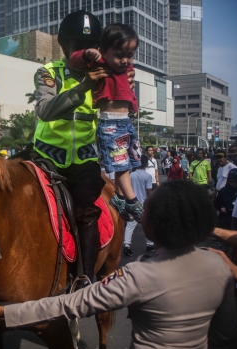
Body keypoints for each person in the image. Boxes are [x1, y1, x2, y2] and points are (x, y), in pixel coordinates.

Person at [0, 180, 237, 349]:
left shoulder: (138, 275)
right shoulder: (220, 266)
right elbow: (224, 335)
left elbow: (67, 305)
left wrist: (3, 311)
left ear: (153, 227)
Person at [29, 11, 136, 286]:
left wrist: (125, 86)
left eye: (88, 46)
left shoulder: (106, 73)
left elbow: (120, 112)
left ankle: (85, 278)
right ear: (64, 46)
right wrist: (84, 87)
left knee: (86, 213)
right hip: (44, 158)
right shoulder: (48, 72)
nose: (83, 52)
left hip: (84, 162)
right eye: (76, 45)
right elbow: (44, 110)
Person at [68, 23, 143, 223]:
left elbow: (129, 90)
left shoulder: (127, 68)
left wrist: (134, 107)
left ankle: (119, 198)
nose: (125, 60)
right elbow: (74, 59)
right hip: (110, 123)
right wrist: (87, 54)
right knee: (121, 165)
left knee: (132, 160)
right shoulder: (99, 63)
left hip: (125, 122)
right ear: (104, 52)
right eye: (120, 54)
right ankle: (132, 200)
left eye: (130, 54)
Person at [123, 155, 154, 257]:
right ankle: (150, 244)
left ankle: (127, 245)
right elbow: (149, 191)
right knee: (147, 224)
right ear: (146, 164)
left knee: (130, 225)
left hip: (132, 202)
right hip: (143, 203)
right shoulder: (148, 176)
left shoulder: (131, 175)